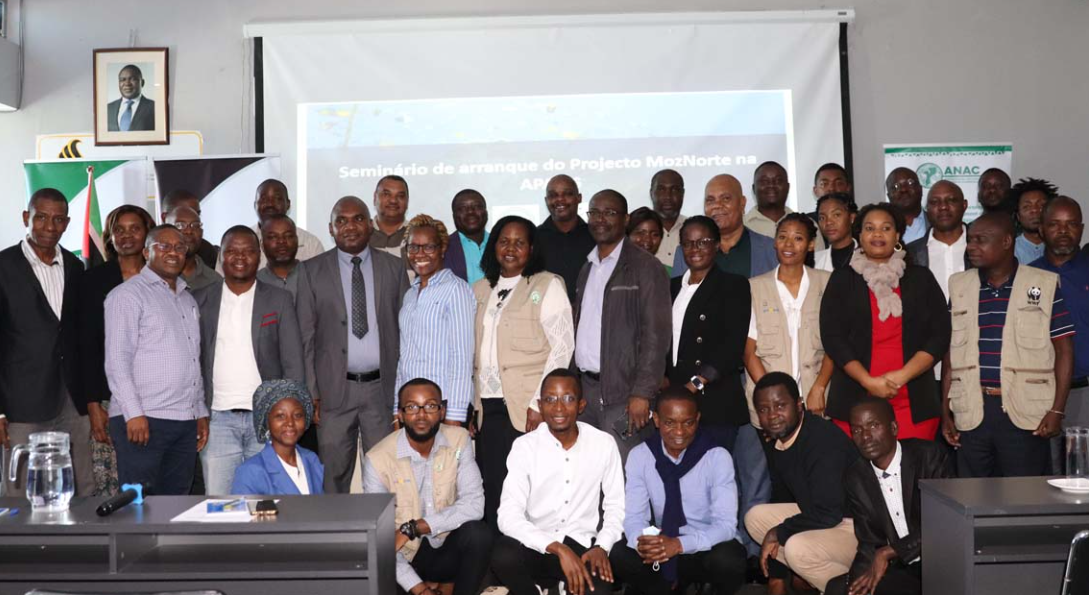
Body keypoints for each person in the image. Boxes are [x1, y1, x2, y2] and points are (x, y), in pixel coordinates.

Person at [942, 213, 1074, 477]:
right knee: (971, 493)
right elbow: (950, 354)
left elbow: (1064, 350)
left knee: (1023, 493)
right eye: (970, 240)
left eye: (981, 240)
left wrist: (1057, 409)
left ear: (1006, 242)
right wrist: (945, 412)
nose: (971, 247)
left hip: (1025, 409)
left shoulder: (1043, 284)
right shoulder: (960, 285)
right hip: (971, 408)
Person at [668, 215, 769, 558]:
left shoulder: (733, 285)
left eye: (703, 242)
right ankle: (688, 555)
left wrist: (696, 383)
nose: (695, 249)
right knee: (682, 483)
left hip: (714, 399)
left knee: (715, 483)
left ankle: (720, 555)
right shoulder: (672, 287)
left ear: (716, 246)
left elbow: (732, 344)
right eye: (689, 243)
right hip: (675, 401)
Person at [296, 196, 410, 493]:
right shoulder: (310, 271)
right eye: (341, 220)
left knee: (385, 476)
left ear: (370, 224)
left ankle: (384, 526)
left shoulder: (394, 268)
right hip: (333, 392)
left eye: (358, 218)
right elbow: (306, 337)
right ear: (330, 229)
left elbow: (407, 333)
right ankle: (334, 526)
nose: (350, 226)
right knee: (332, 477)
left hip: (382, 391)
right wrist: (311, 392)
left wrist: (404, 390)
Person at [472, 215, 573, 531]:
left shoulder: (546, 285)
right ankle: (498, 553)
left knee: (530, 489)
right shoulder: (480, 289)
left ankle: (533, 554)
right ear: (494, 246)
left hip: (525, 406)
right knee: (494, 485)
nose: (510, 248)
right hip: (486, 406)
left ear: (531, 248)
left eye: (519, 242)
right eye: (504, 241)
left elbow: (562, 349)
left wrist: (539, 403)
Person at [820, 204, 951, 440]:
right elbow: (833, 337)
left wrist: (902, 377)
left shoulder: (921, 278)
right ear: (860, 236)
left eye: (886, 228)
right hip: (855, 399)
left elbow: (940, 334)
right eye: (870, 228)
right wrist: (868, 381)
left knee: (913, 462)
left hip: (913, 401)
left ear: (897, 235)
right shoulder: (842, 280)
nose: (877, 234)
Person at [194, 226, 305, 495]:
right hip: (217, 419)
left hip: (266, 418)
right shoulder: (199, 299)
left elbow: (292, 360)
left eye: (248, 251)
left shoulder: (279, 299)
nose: (240, 257)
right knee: (220, 502)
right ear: (221, 256)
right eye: (232, 251)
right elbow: (192, 362)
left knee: (267, 502)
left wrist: (290, 413)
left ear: (259, 255)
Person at [492, 370, 624, 595]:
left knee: (599, 589)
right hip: (537, 542)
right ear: (540, 405)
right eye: (550, 399)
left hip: (581, 544)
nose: (559, 407)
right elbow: (507, 516)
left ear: (581, 405)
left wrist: (602, 546)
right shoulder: (525, 446)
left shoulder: (603, 444)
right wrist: (557, 549)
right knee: (503, 554)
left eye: (568, 398)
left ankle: (563, 587)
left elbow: (616, 506)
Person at [609, 387, 749, 595]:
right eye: (670, 423)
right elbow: (635, 517)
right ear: (656, 420)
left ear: (697, 419)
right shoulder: (641, 455)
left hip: (703, 546)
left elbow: (726, 525)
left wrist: (679, 544)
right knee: (620, 554)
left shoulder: (717, 457)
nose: (679, 432)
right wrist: (646, 543)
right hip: (662, 543)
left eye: (688, 423)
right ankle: (664, 587)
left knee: (730, 559)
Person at [105, 225, 210, 495]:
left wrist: (199, 411)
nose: (172, 252)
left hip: (184, 421)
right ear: (146, 252)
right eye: (163, 246)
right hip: (143, 419)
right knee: (139, 505)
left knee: (176, 504)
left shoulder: (188, 300)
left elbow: (193, 360)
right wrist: (134, 413)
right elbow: (117, 360)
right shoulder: (127, 295)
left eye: (179, 247)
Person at [0, 188, 91, 497]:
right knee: (19, 492)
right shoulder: (3, 266)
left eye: (58, 219)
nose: (50, 227)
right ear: (26, 217)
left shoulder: (76, 267)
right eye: (41, 218)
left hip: (72, 400)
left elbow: (78, 335)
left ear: (67, 223)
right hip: (20, 403)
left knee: (80, 489)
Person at [364, 378, 492, 595]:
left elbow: (475, 505)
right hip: (404, 558)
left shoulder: (459, 440)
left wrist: (414, 527)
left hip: (445, 546)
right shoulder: (377, 460)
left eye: (430, 406)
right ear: (400, 414)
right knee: (380, 558)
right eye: (412, 407)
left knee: (478, 534)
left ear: (442, 411)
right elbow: (381, 540)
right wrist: (420, 590)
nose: (421, 415)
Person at [574, 189, 671, 460]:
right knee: (590, 473)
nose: (600, 219)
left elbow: (656, 337)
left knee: (625, 472)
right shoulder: (587, 267)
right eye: (594, 212)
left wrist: (642, 393)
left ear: (626, 219)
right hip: (586, 393)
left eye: (609, 213)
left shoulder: (646, 267)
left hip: (624, 394)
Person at [824, 398, 954, 595]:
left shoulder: (929, 456)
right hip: (901, 567)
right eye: (857, 430)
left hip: (940, 561)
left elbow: (945, 523)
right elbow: (869, 542)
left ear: (894, 428)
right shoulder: (856, 476)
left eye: (873, 426)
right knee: (837, 589)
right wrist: (854, 585)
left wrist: (890, 551)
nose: (865, 436)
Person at [744, 373, 859, 594]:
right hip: (824, 515)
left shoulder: (821, 439)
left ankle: (856, 586)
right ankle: (810, 572)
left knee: (797, 549)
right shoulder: (782, 440)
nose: (772, 415)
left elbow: (829, 512)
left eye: (780, 406)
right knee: (755, 518)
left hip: (855, 528)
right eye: (764, 409)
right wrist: (777, 576)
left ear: (799, 405)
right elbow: (782, 497)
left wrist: (778, 532)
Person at [78, 204, 155, 496]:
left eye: (134, 228)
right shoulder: (91, 281)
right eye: (119, 230)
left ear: (147, 233)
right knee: (112, 484)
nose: (126, 235)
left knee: (155, 483)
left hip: (158, 398)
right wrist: (93, 404)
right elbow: (85, 345)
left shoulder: (163, 278)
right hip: (109, 399)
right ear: (110, 237)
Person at [744, 214, 833, 421]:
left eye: (798, 238)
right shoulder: (754, 288)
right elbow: (748, 353)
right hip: (769, 406)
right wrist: (772, 396)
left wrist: (819, 387)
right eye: (783, 237)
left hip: (816, 399)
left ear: (811, 245)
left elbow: (835, 345)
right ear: (775, 242)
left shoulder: (827, 283)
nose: (788, 244)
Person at [395, 215, 476, 426]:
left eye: (429, 247)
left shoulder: (456, 290)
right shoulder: (410, 295)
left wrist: (455, 416)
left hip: (443, 405)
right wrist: (397, 409)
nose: (420, 254)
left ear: (442, 249)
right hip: (411, 405)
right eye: (413, 247)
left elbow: (462, 357)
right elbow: (404, 358)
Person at [1031, 197, 1089, 429]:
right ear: (1041, 229)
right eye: (1054, 224)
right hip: (1037, 392)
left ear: (1081, 229)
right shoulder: (1026, 275)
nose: (1063, 231)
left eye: (1071, 224)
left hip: (1084, 392)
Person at [672, 174, 776, 279]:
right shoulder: (685, 253)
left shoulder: (771, 249)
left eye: (726, 199)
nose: (717, 205)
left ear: (742, 203)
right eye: (710, 200)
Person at [231, 379, 323, 495]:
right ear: (267, 422)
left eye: (297, 415)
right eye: (280, 416)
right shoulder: (250, 471)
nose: (290, 423)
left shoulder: (312, 460)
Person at [536, 174, 596, 304]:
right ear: (546, 200)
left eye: (567, 194)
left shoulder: (595, 236)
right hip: (545, 312)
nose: (560, 199)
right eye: (553, 195)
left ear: (579, 198)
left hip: (589, 312)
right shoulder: (534, 238)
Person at [905, 181, 970, 301]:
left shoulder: (981, 248)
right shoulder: (910, 254)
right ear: (927, 209)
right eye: (935, 202)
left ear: (964, 205)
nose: (943, 207)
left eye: (951, 200)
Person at [744, 161, 824, 250]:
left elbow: (820, 258)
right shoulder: (741, 226)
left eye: (778, 181)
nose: (771, 185)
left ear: (788, 187)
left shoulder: (809, 225)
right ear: (754, 188)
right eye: (764, 181)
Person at [252, 179, 327, 263]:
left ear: (288, 204)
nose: (270, 204)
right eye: (264, 199)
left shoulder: (310, 243)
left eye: (277, 199)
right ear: (255, 205)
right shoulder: (245, 241)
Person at [165, 205, 222, 292]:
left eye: (195, 225)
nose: (189, 231)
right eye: (180, 225)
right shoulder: (153, 276)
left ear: (202, 232)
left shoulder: (215, 281)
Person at [159, 189, 218, 268]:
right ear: (164, 218)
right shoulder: (151, 249)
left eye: (196, 213)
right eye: (181, 224)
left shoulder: (207, 251)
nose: (189, 231)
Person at [443, 189, 490, 285]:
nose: (470, 212)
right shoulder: (442, 248)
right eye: (462, 208)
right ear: (454, 215)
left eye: (477, 206)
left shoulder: (501, 244)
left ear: (485, 212)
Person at [1011, 177, 1060, 266]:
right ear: (1018, 216)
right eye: (1027, 206)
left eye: (1041, 205)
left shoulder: (1062, 247)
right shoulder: (1009, 251)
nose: (1034, 210)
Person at [256, 213, 302, 301]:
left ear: (297, 240)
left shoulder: (313, 276)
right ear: (262, 245)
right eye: (273, 237)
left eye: (288, 236)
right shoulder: (255, 283)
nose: (281, 241)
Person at [649, 169, 687, 268]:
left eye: (674, 190)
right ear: (651, 193)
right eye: (661, 189)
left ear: (682, 194)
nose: (668, 197)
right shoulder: (636, 232)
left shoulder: (693, 228)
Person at [814, 192, 858, 272]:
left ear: (852, 218)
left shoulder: (869, 258)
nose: (828, 222)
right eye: (822, 218)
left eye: (836, 215)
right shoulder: (813, 262)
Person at [370, 175, 410, 258]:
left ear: (407, 201)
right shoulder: (361, 234)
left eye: (400, 196)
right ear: (375, 198)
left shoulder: (416, 233)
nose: (393, 201)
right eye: (386, 194)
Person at [884, 168, 928, 244]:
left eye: (910, 183)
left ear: (920, 190)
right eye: (896, 186)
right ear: (889, 196)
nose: (903, 189)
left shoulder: (936, 223)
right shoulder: (883, 229)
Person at [107, 64, 155, 132]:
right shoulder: (108, 108)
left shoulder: (154, 107)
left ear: (142, 83)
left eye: (133, 79)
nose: (127, 83)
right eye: (122, 80)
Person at [626, 206, 668, 273]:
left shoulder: (667, 273)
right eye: (640, 233)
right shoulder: (612, 271)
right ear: (626, 236)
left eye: (655, 234)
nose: (648, 240)